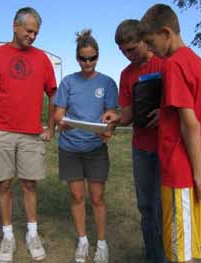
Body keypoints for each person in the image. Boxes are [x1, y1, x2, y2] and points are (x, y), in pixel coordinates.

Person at [138, 4, 201, 263]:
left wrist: (196, 175)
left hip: (182, 176)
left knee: (179, 252)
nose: (150, 50)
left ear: (166, 32)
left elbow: (191, 124)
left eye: (151, 43)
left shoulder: (173, 65)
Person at [0, 7, 57, 263]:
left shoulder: (42, 59)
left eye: (36, 32)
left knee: (29, 184)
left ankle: (32, 233)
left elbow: (53, 94)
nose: (32, 36)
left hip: (31, 134)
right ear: (15, 25)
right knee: (4, 184)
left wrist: (50, 127)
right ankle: (8, 235)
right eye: (29, 30)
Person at [53, 29, 118, 263]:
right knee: (76, 196)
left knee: (97, 198)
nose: (87, 63)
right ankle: (82, 241)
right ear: (77, 57)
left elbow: (111, 115)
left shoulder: (107, 83)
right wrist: (62, 123)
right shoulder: (68, 82)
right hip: (69, 147)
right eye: (83, 58)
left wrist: (109, 131)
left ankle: (101, 244)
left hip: (95, 148)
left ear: (98, 56)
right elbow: (59, 113)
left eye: (92, 58)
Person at [103, 19, 165, 263]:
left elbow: (185, 104)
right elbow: (127, 115)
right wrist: (115, 117)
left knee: (163, 208)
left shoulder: (165, 62)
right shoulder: (126, 75)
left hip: (166, 148)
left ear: (144, 40)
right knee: (146, 207)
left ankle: (167, 257)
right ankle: (152, 256)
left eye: (132, 49)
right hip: (141, 149)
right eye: (122, 51)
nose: (128, 56)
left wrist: (165, 113)